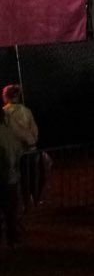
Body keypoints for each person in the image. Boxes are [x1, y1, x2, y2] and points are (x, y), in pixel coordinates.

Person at [2, 85, 41, 208]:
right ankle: (32, 201)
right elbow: (34, 131)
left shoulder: (5, 112)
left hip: (15, 152)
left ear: (6, 96)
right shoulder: (26, 111)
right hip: (30, 149)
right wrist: (31, 142)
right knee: (30, 177)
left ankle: (19, 205)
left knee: (15, 179)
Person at [0, 111, 22, 249]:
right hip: (11, 178)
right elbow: (18, 151)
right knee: (10, 211)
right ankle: (12, 240)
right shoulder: (10, 132)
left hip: (6, 176)